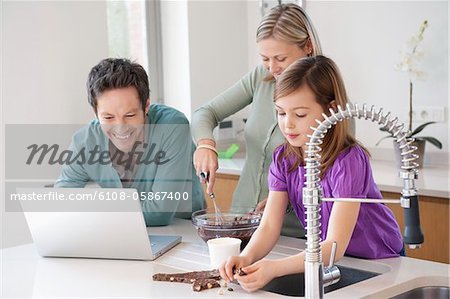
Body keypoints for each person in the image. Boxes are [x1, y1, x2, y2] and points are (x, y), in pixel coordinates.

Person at [218, 56, 403, 292]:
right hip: (334, 260)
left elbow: (334, 244)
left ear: (332, 110)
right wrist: (246, 258)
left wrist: (274, 268)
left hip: (379, 261)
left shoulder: (349, 161)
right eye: (281, 113)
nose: (288, 125)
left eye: (300, 114)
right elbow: (269, 227)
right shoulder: (284, 159)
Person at [192, 3, 322, 237]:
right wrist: (205, 145)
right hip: (240, 221)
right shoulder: (261, 78)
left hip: (293, 232)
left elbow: (330, 181)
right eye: (265, 58)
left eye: (280, 58)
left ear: (308, 47)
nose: (272, 68)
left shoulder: (326, 98)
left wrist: (285, 201)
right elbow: (205, 113)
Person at [55, 58, 204, 225]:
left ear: (146, 106)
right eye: (108, 117)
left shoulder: (172, 126)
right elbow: (62, 201)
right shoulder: (84, 141)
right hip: (125, 231)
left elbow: (159, 213)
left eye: (130, 115)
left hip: (183, 231)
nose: (120, 128)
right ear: (95, 112)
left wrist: (96, 213)